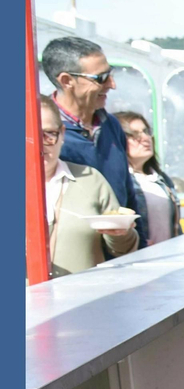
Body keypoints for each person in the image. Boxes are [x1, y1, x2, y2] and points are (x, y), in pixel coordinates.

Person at [42, 35, 148, 246]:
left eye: (111, 74)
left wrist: (141, 245)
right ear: (66, 81)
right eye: (101, 78)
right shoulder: (44, 137)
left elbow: (128, 194)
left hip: (121, 250)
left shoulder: (111, 126)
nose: (112, 84)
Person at [38, 96, 137, 276]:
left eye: (48, 135)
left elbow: (124, 250)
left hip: (83, 298)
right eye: (28, 136)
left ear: (62, 133)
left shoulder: (90, 179)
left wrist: (120, 234)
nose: (39, 146)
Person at [115, 111, 181, 244]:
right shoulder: (119, 181)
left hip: (169, 258)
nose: (145, 138)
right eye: (134, 134)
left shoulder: (161, 179)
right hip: (139, 257)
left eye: (146, 131)